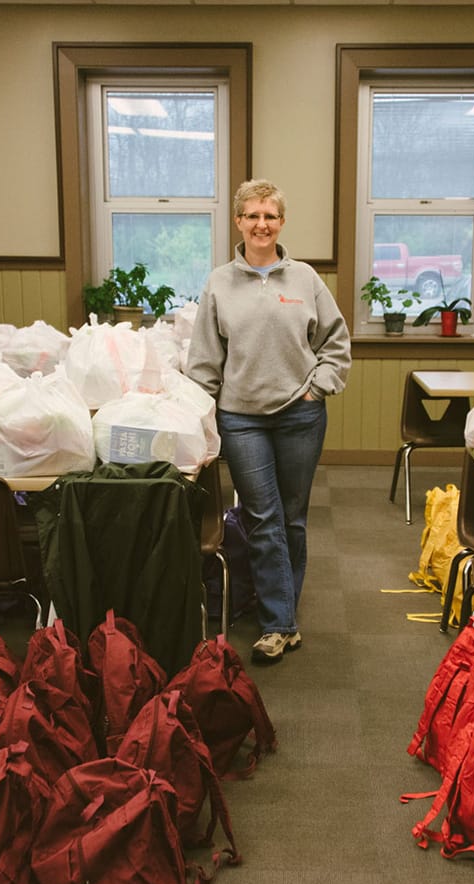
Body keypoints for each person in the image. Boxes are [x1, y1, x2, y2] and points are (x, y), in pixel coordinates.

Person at [186, 179, 351, 664]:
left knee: (292, 519)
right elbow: (203, 361)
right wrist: (204, 418)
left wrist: (318, 386)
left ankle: (282, 610)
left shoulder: (304, 279)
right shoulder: (219, 282)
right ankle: (279, 624)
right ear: (238, 221)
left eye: (270, 216)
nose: (262, 224)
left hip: (301, 414)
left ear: (281, 222)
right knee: (263, 516)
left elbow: (335, 344)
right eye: (253, 215)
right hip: (241, 418)